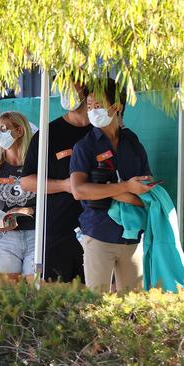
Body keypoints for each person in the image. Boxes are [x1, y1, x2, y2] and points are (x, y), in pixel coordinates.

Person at [70, 78, 153, 292]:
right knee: (96, 304)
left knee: (135, 308)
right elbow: (79, 190)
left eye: (98, 106)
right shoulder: (84, 146)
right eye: (89, 106)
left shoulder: (132, 142)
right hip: (98, 234)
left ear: (116, 107)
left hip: (133, 236)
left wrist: (114, 190)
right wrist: (125, 188)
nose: (92, 111)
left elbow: (147, 191)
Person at [20, 83, 91, 283]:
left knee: (97, 294)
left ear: (87, 92)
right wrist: (64, 185)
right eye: (62, 88)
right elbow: (26, 181)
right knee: (57, 295)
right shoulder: (47, 134)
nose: (66, 93)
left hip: (97, 229)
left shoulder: (101, 132)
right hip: (57, 230)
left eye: (72, 88)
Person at [0, 112, 37, 284]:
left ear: (19, 131)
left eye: (3, 129)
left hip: (36, 235)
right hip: (3, 239)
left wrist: (26, 210)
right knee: (5, 299)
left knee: (38, 295)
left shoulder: (39, 166)